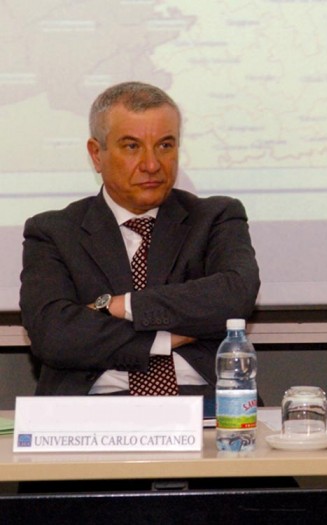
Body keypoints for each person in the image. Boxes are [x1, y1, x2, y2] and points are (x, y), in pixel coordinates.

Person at [19, 81, 260, 398]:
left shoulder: (216, 217)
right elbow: (54, 334)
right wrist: (162, 339)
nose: (152, 164)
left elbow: (234, 297)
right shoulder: (53, 231)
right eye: (132, 146)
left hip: (207, 403)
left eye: (165, 145)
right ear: (96, 154)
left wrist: (118, 305)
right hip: (93, 408)